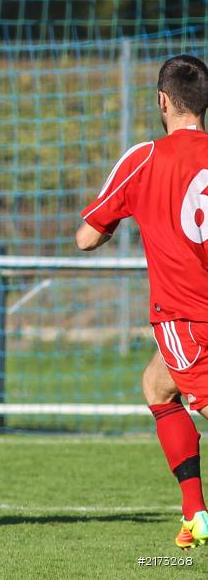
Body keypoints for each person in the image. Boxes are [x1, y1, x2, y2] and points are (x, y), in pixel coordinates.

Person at [77, 54, 208, 550]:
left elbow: (86, 237)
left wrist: (135, 214)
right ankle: (195, 513)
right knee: (157, 385)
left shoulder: (145, 158)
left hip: (187, 316)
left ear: (162, 100)